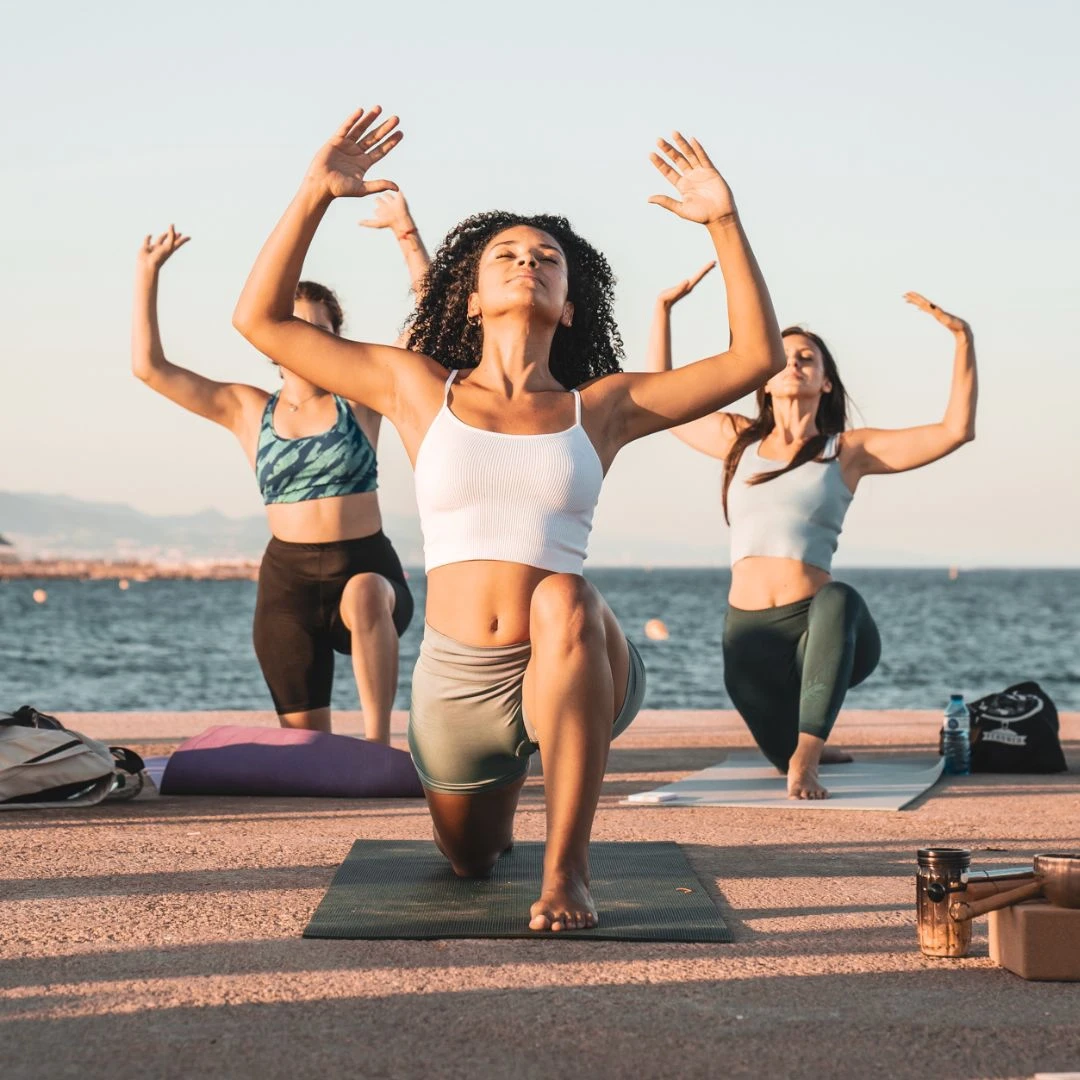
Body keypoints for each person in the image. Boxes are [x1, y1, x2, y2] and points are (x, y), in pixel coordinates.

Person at [232, 105, 785, 930]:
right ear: (472, 298)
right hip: (460, 678)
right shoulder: (420, 390)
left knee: (562, 595)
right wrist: (316, 191)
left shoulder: (603, 406)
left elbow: (755, 360)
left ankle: (569, 870)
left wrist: (726, 223)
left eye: (547, 257)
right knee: (469, 860)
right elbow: (260, 323)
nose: (528, 261)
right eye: (506, 254)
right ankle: (524, 771)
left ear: (568, 305)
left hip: (574, 652)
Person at [647, 282, 978, 798]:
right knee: (777, 754)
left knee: (839, 599)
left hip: (823, 626)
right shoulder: (739, 441)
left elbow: (955, 430)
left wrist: (963, 341)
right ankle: (803, 746)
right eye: (784, 356)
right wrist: (662, 312)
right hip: (749, 642)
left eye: (807, 358)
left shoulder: (846, 451)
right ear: (765, 379)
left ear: (826, 382)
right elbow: (663, 403)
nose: (795, 363)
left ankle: (809, 754)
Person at [131, 194, 430, 741]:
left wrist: (405, 234)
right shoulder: (249, 410)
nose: (304, 342)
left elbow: (431, 329)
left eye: (316, 330)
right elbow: (149, 369)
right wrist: (147, 274)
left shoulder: (363, 397)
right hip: (286, 584)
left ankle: (377, 743)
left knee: (364, 592)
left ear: (336, 338)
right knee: (306, 747)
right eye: (291, 329)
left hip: (367, 567)